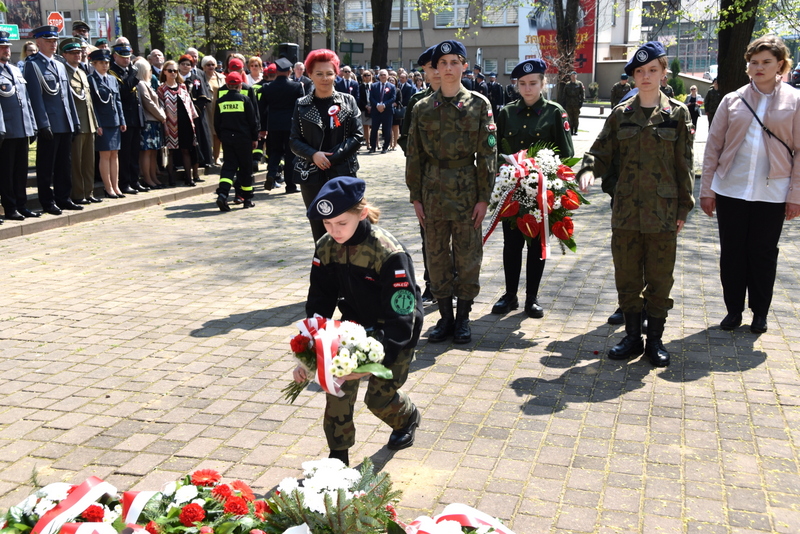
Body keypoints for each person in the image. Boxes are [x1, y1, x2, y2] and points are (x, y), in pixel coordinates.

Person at [295, 176, 423, 467]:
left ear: (361, 214)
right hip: (353, 327)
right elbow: (319, 301)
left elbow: (402, 319)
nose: (333, 231)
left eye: (341, 223)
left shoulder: (388, 252)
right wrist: (307, 354)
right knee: (336, 385)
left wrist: (369, 363)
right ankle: (338, 457)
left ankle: (407, 418)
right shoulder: (327, 246)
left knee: (378, 400)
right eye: (327, 224)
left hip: (394, 332)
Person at [586, 41, 694, 368]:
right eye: (639, 72)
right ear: (632, 76)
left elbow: (684, 165)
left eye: (652, 70)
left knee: (660, 279)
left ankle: (655, 341)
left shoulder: (677, 113)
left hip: (663, 213)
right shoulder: (622, 114)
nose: (645, 76)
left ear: (663, 74)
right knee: (628, 276)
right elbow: (600, 153)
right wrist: (587, 171)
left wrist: (683, 209)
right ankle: (632, 338)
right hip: (626, 213)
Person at [700, 34, 800, 335]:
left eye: (766, 62)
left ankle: (760, 312)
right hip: (731, 188)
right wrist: (706, 189)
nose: (759, 67)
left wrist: (796, 195)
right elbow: (713, 147)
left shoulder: (794, 101)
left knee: (763, 253)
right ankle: (733, 310)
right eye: (754, 62)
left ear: (780, 65)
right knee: (732, 253)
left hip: (773, 192)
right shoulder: (733, 100)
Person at [406, 40, 497, 344]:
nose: (447, 68)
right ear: (435, 68)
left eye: (454, 62)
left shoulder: (479, 105)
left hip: (467, 191)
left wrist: (484, 198)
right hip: (431, 191)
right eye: (441, 63)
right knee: (436, 257)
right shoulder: (422, 108)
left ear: (464, 66)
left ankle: (463, 319)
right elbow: (414, 155)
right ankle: (444, 318)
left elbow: (487, 155)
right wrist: (415, 197)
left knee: (468, 255)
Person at [491, 59, 574, 319]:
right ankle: (510, 295)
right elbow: (496, 152)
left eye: (533, 83)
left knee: (537, 245)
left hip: (542, 192)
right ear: (516, 85)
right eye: (522, 84)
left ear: (542, 83)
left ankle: (532, 297)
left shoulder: (554, 112)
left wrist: (555, 185)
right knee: (511, 244)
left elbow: (567, 155)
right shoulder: (505, 113)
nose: (527, 89)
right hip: (513, 191)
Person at [290, 48, 364, 242]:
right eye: (319, 74)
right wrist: (314, 155)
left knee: (347, 227)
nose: (325, 78)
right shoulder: (301, 104)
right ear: (309, 75)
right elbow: (294, 140)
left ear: (336, 74)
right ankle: (324, 269)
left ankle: (351, 270)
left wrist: (331, 157)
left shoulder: (348, 101)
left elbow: (357, 136)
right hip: (312, 175)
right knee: (320, 230)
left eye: (329, 73)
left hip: (343, 172)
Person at [24, 25, 82, 215]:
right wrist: (43, 124)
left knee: (64, 164)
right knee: (46, 166)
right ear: (39, 43)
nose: (53, 44)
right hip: (49, 123)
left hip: (64, 122)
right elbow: (36, 97)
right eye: (49, 41)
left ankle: (63, 198)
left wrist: (75, 121)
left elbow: (67, 95)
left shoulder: (59, 63)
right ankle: (47, 202)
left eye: (55, 41)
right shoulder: (33, 65)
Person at [399, 45, 439, 304]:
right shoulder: (416, 102)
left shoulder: (468, 99)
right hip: (427, 180)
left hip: (460, 180)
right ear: (424, 71)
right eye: (431, 67)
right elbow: (404, 139)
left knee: (459, 237)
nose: (437, 72)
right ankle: (432, 283)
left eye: (441, 65)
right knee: (429, 235)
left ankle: (454, 282)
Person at [0, 31, 40, 221]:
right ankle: (10, 207)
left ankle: (21, 204)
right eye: (2, 47)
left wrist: (32, 125)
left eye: (7, 46)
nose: (7, 50)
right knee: (6, 172)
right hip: (6, 131)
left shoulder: (15, 70)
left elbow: (26, 100)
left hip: (22, 128)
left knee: (20, 171)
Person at [61, 37, 100, 205]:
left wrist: (95, 123)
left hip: (89, 124)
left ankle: (88, 191)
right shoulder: (63, 72)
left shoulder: (83, 73)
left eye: (79, 52)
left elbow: (89, 102)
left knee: (88, 162)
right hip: (77, 125)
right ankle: (78, 194)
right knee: (76, 163)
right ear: (64, 55)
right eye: (73, 53)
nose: (77, 55)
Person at [214, 71, 259, 211]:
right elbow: (253, 121)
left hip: (227, 140)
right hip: (243, 139)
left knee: (228, 167)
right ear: (240, 85)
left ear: (227, 85)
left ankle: (222, 194)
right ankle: (247, 199)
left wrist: (222, 137)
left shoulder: (220, 101)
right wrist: (254, 137)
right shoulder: (245, 100)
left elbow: (217, 122)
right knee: (246, 168)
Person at [259, 57, 304, 193]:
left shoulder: (267, 87)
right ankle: (290, 185)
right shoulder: (296, 86)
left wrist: (262, 128)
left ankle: (271, 174)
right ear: (290, 71)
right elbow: (301, 107)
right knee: (290, 155)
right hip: (291, 125)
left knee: (275, 152)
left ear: (277, 71)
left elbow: (262, 110)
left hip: (274, 125)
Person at [110, 39, 147, 194]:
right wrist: (132, 74)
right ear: (115, 56)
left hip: (135, 117)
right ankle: (124, 183)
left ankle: (134, 180)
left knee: (134, 152)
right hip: (125, 118)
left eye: (128, 56)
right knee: (125, 154)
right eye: (123, 56)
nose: (127, 59)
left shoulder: (128, 71)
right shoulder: (114, 72)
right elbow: (123, 92)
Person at [88, 49, 127, 199]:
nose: (105, 66)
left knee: (115, 154)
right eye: (101, 63)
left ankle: (116, 186)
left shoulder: (112, 79)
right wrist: (97, 123)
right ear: (94, 64)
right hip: (102, 122)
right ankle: (108, 187)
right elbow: (93, 104)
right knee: (105, 155)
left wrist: (122, 120)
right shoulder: (91, 80)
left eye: (107, 63)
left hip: (114, 120)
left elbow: (117, 101)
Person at [158, 60, 198, 187]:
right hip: (170, 124)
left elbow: (190, 104)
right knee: (171, 151)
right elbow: (161, 108)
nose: (173, 73)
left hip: (185, 122)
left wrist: (193, 120)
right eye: (170, 70)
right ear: (164, 72)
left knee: (186, 150)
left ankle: (189, 177)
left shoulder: (183, 86)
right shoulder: (161, 89)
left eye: (175, 70)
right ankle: (171, 179)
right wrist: (164, 124)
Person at [134, 57, 166, 189]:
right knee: (146, 152)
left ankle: (153, 177)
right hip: (149, 121)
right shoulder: (141, 84)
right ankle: (147, 178)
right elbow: (149, 103)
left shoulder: (147, 83)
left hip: (155, 121)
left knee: (153, 152)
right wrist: (162, 116)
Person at [182, 54, 213, 174]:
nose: (185, 66)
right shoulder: (177, 79)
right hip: (181, 116)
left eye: (188, 64)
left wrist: (194, 111)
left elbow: (202, 97)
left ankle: (201, 161)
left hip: (196, 114)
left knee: (199, 139)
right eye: (183, 64)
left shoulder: (196, 78)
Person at [200, 55, 225, 166]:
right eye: (208, 65)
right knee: (209, 132)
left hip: (219, 108)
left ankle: (217, 156)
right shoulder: (200, 78)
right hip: (208, 108)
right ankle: (208, 156)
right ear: (203, 67)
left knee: (218, 133)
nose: (210, 67)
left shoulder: (221, 77)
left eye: (212, 64)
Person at [369, 69, 395, 154]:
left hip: (387, 111)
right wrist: (377, 105)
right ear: (379, 76)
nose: (383, 76)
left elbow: (393, 98)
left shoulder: (392, 86)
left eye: (385, 75)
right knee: (374, 129)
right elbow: (371, 98)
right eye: (381, 75)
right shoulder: (373, 86)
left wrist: (384, 105)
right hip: (376, 111)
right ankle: (373, 147)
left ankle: (385, 147)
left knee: (387, 130)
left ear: (387, 76)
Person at [563, 71, 584, 136]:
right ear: (570, 77)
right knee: (570, 117)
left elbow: (582, 94)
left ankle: (576, 130)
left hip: (576, 103)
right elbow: (564, 94)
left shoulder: (579, 84)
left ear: (576, 76)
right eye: (572, 76)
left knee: (576, 117)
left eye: (574, 76)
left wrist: (581, 102)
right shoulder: (567, 84)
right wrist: (564, 103)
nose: (573, 77)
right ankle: (571, 130)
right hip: (569, 103)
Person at [358, 69, 373, 151]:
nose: (367, 77)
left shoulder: (374, 86)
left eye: (368, 75)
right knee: (365, 126)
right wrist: (366, 106)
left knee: (374, 126)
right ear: (363, 77)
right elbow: (359, 98)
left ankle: (376, 143)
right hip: (364, 108)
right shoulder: (360, 87)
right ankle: (368, 143)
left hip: (374, 107)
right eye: (365, 75)